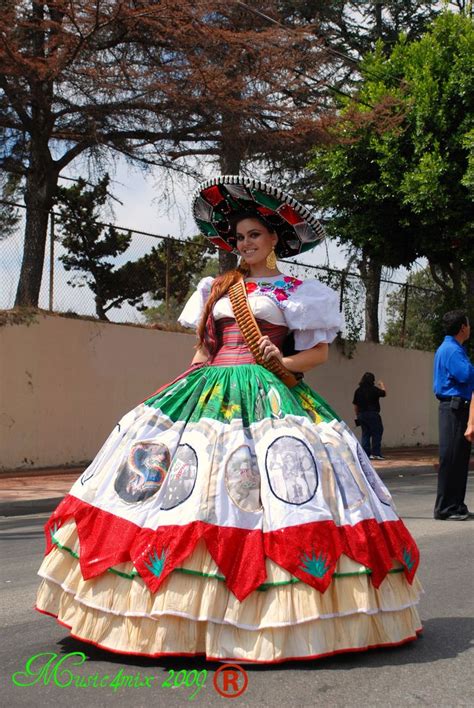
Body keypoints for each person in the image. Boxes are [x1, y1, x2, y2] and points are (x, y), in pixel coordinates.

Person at [35, 176, 422, 663]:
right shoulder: (217, 286)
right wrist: (186, 382)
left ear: (274, 238)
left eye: (254, 236)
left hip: (270, 391)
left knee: (273, 493)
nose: (245, 245)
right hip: (210, 387)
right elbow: (205, 346)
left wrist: (280, 360)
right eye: (238, 238)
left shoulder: (300, 291)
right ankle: (174, 614)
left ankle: (275, 618)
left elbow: (318, 354)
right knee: (189, 489)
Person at [433, 310, 474, 521]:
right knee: (451, 458)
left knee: (459, 458)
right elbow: (465, 374)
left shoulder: (455, 348)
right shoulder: (451, 350)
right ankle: (444, 508)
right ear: (462, 328)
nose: (470, 327)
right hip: (453, 407)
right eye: (468, 324)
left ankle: (456, 505)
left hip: (458, 407)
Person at [353, 373, 386, 460]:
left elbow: (355, 405)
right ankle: (376, 453)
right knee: (377, 432)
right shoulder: (374, 389)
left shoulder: (358, 391)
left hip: (362, 414)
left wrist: (357, 416)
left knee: (365, 434)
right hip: (373, 413)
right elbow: (384, 393)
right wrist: (382, 385)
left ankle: (366, 454)